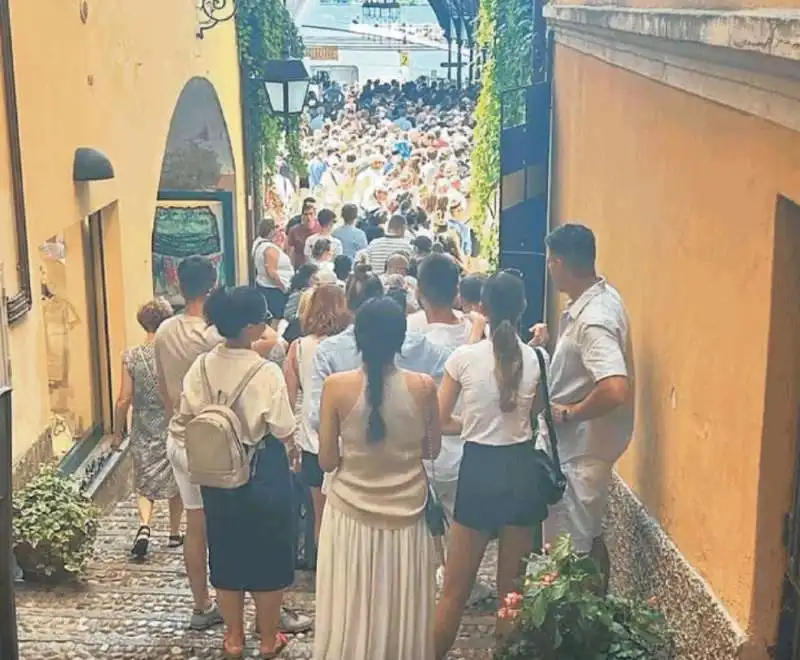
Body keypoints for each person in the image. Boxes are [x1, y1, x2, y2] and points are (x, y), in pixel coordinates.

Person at [156, 256, 312, 636]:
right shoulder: (265, 371)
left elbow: (186, 408)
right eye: (261, 319)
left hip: (215, 471)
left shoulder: (204, 365)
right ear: (249, 327)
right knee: (269, 551)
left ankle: (233, 636)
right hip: (259, 472)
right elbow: (282, 425)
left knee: (225, 551)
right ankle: (269, 635)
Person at [314, 297, 441, 660]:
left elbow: (326, 460)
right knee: (400, 600)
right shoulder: (424, 386)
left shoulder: (336, 387)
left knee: (351, 601)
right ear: (401, 339)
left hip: (349, 514)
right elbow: (431, 451)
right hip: (407, 514)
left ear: (358, 338)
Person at [434, 272, 546, 659]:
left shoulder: (463, 358)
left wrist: (469, 424)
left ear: (480, 307)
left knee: (454, 591)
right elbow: (536, 415)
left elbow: (438, 419)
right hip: (520, 471)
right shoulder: (535, 358)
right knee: (511, 593)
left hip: (479, 469)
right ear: (523, 309)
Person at [533, 224, 634, 593]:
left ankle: (572, 637)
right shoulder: (600, 299)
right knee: (588, 540)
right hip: (580, 451)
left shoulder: (593, 320)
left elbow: (614, 387)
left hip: (578, 453)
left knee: (569, 556)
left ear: (558, 262)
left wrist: (570, 412)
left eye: (548, 261)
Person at [155, 256, 224, 630]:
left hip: (179, 435)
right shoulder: (213, 336)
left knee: (195, 525)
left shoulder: (165, 330)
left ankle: (201, 604)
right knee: (226, 523)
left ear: (180, 286)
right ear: (211, 288)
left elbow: (165, 388)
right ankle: (236, 602)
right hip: (215, 441)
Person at [112, 297, 183, 559]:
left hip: (142, 423)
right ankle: (174, 533)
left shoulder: (131, 356)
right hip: (171, 420)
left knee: (143, 478)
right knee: (176, 477)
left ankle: (144, 525)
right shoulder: (175, 354)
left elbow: (123, 399)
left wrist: (118, 430)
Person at [284, 284, 351, 543]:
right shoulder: (352, 345)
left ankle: (323, 573)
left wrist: (290, 443)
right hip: (350, 440)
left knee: (320, 514)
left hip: (314, 441)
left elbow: (288, 400)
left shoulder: (298, 347)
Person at [252, 218, 294, 323]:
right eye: (276, 228)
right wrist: (283, 287)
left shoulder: (258, 244)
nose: (278, 231)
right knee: (277, 320)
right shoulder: (269, 249)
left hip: (265, 286)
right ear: (270, 230)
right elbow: (271, 272)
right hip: (275, 290)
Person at [287, 199, 319, 268]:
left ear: (315, 214)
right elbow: (290, 252)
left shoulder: (320, 228)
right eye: (306, 214)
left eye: (311, 214)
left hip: (316, 266)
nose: (308, 217)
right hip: (299, 266)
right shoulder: (294, 230)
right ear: (302, 215)